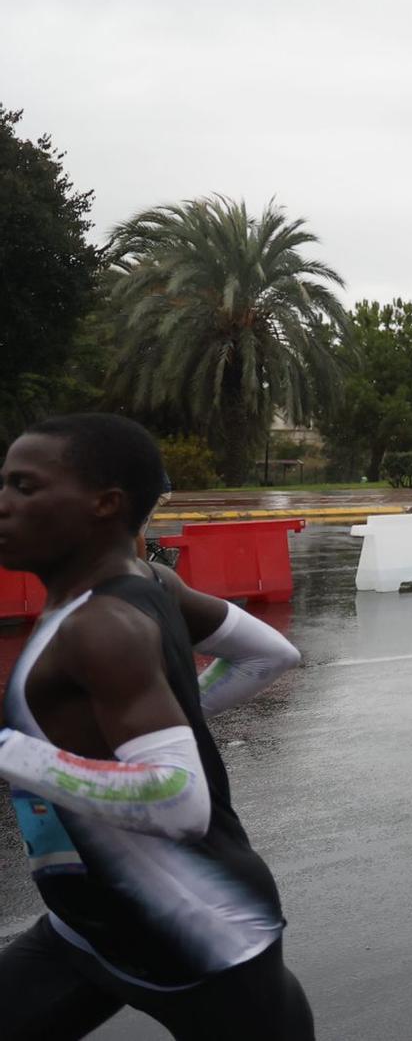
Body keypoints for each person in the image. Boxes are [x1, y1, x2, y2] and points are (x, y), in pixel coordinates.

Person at [0, 413, 312, 1039]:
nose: (4, 502)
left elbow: (178, 801)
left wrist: (16, 752)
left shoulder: (100, 627)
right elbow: (270, 655)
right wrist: (182, 711)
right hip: (89, 929)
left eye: (25, 487)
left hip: (204, 941)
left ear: (105, 504)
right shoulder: (153, 582)